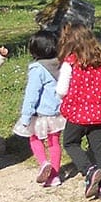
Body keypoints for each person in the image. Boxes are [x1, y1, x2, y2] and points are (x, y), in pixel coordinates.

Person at [57, 21, 101, 199]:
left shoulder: (71, 63)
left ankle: (89, 170)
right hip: (100, 113)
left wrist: (64, 98)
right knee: (99, 148)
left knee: (70, 142)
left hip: (78, 113)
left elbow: (61, 89)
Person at [16, 30, 65, 187]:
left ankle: (44, 163)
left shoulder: (37, 69)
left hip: (40, 113)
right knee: (54, 141)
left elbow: (32, 94)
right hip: (58, 113)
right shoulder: (61, 65)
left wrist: (26, 116)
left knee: (34, 138)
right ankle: (55, 176)